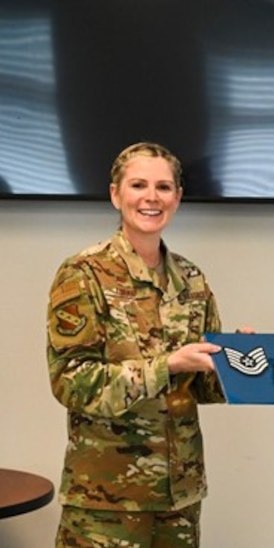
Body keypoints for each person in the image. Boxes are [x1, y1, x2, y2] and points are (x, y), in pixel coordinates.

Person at [47, 142, 225, 547]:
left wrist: (239, 363)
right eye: (138, 185)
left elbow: (201, 383)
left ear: (178, 197)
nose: (151, 197)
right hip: (105, 501)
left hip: (179, 497)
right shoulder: (83, 273)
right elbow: (71, 382)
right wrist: (167, 365)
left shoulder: (191, 279)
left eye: (164, 187)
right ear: (115, 194)